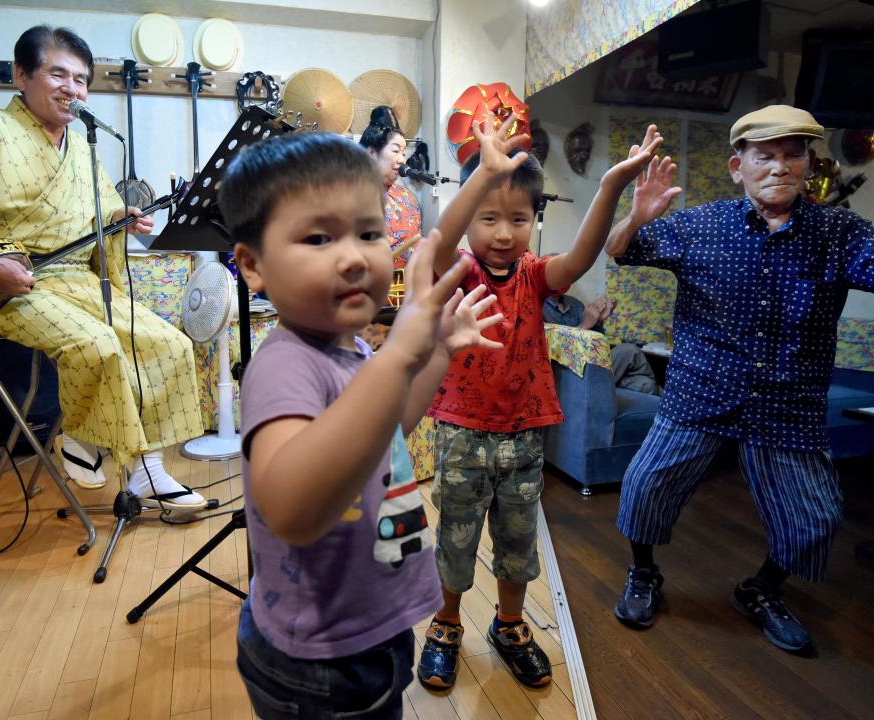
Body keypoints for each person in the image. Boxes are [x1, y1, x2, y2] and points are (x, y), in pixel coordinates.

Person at [603, 105, 874, 653]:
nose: (779, 167)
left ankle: (761, 588)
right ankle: (644, 572)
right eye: (764, 155)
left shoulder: (837, 231)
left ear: (808, 164)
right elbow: (621, 251)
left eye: (792, 154)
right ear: (738, 165)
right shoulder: (701, 224)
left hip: (788, 398)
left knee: (816, 519)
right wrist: (637, 215)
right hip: (701, 388)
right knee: (645, 484)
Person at [219, 131, 504, 720]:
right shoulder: (284, 366)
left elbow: (387, 427)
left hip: (365, 625)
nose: (354, 256)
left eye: (369, 234)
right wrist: (399, 354)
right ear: (252, 264)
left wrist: (437, 355)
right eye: (319, 238)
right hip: (318, 659)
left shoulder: (348, 350)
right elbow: (292, 510)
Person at [417, 112, 662, 689]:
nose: (504, 232)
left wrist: (609, 188)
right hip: (461, 430)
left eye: (519, 219)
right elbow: (438, 243)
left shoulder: (533, 275)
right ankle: (446, 624)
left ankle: (509, 625)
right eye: (489, 217)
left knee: (519, 540)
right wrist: (480, 177)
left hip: (525, 433)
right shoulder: (459, 269)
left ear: (534, 220)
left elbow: (578, 259)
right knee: (456, 534)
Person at [0, 25, 205, 508]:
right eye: (58, 74)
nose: (71, 89)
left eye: (80, 79)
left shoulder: (82, 146)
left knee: (171, 343)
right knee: (99, 346)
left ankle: (143, 470)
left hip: (78, 280)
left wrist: (121, 218)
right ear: (22, 76)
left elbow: (102, 207)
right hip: (14, 287)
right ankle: (89, 440)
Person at [542, 293, 659, 394]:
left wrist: (598, 321)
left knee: (647, 385)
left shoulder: (574, 303)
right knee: (630, 350)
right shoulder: (536, 306)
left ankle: (604, 393)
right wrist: (583, 326)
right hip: (568, 373)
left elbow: (599, 343)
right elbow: (554, 352)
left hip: (593, 362)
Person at [360, 106, 421, 269]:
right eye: (395, 151)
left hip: (406, 289)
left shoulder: (409, 199)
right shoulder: (348, 197)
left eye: (404, 153)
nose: (402, 160)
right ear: (371, 153)